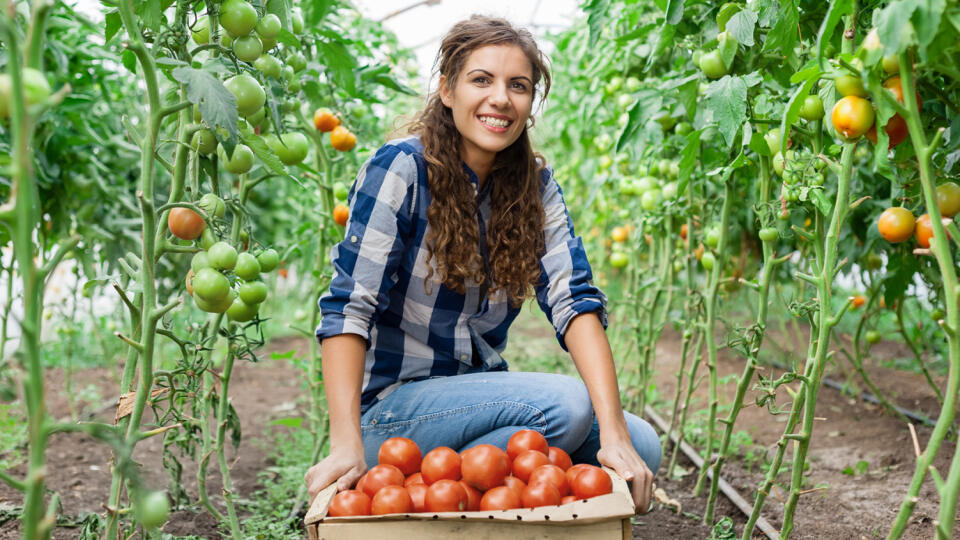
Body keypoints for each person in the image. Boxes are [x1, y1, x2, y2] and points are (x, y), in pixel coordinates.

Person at [303, 15, 661, 513]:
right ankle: (403, 471)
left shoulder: (533, 187)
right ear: (447, 90)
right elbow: (347, 308)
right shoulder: (402, 169)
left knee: (641, 444)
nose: (501, 99)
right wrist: (343, 440)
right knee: (568, 407)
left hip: (470, 399)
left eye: (519, 86)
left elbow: (573, 299)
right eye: (481, 80)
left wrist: (616, 436)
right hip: (392, 412)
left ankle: (450, 486)